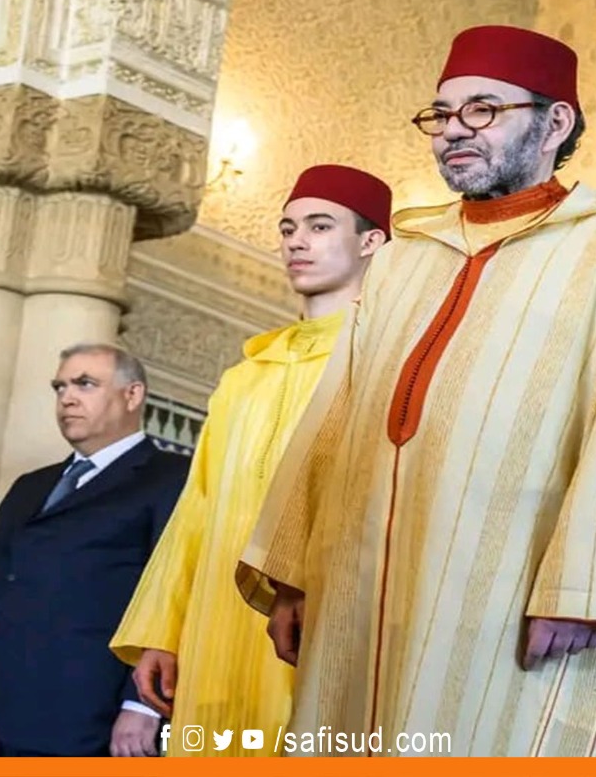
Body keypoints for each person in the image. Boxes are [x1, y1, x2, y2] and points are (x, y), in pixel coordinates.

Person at [237, 25, 596, 757]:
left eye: (482, 110)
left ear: (555, 122)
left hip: (511, 591)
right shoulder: (403, 258)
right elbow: (335, 415)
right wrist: (292, 576)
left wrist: (580, 588)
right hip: (354, 583)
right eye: (442, 114)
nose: (453, 131)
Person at [109, 165, 393, 756]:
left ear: (372, 242)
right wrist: (163, 632)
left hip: (313, 623)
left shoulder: (386, 366)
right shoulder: (244, 378)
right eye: (288, 228)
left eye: (320, 226)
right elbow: (196, 513)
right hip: (214, 626)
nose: (296, 241)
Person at [0, 345, 188, 757]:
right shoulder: (29, 486)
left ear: (133, 394)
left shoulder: (173, 477)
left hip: (89, 718)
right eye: (60, 387)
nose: (67, 398)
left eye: (85, 384)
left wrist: (142, 704)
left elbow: (175, 595)